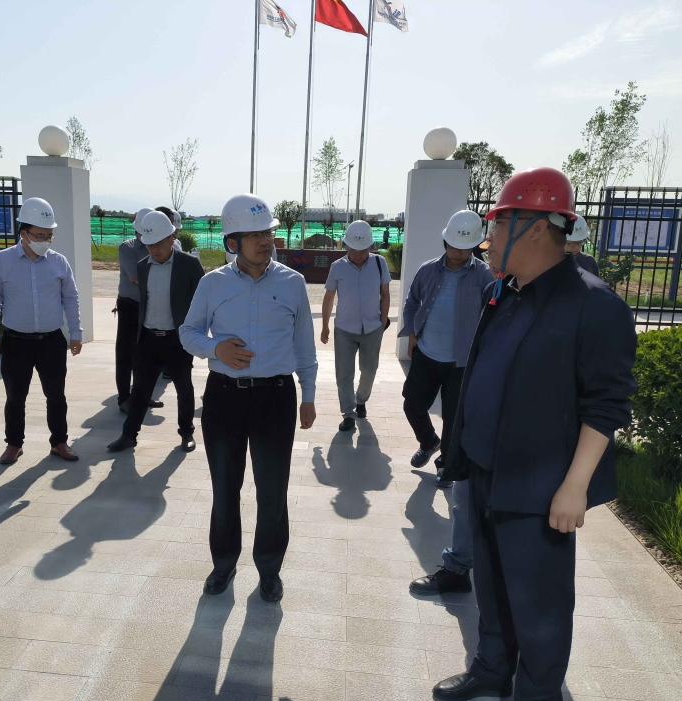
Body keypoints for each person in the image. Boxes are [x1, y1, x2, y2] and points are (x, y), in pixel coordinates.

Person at [433, 168, 636, 701]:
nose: (487, 239)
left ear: (536, 228)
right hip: (487, 471)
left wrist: (575, 486)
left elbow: (607, 404)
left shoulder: (593, 306)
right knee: (492, 587)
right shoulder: (504, 292)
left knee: (540, 606)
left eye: (497, 225)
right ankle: (492, 668)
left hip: (542, 488)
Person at [180, 193, 317, 603]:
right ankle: (223, 564)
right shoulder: (212, 284)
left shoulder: (292, 283)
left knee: (272, 491)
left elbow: (305, 345)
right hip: (224, 399)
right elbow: (188, 332)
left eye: (268, 233)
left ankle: (269, 570)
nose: (265, 241)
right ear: (233, 241)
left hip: (276, 399)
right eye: (255, 235)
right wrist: (215, 349)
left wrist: (308, 395)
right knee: (225, 488)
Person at [0, 197, 83, 465]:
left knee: (56, 395)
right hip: (16, 342)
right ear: (24, 233)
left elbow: (71, 298)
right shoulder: (2, 261)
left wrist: (76, 332)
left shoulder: (59, 262)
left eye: (49, 235)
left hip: (51, 341)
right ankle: (14, 444)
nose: (45, 240)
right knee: (15, 397)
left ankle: (59, 442)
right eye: (40, 235)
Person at [401, 210, 494, 487]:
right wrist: (412, 332)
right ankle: (428, 441)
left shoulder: (484, 275)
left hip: (461, 362)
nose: (459, 252)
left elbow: (492, 313)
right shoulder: (428, 270)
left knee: (453, 418)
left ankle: (446, 465)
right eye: (454, 245)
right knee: (412, 405)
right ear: (445, 241)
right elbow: (411, 301)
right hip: (427, 354)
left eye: (466, 247)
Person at [107, 211, 204, 453]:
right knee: (140, 390)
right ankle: (129, 435)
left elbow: (203, 300)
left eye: (159, 244)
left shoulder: (189, 265)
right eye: (149, 245)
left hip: (177, 339)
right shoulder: (143, 267)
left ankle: (186, 433)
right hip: (149, 339)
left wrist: (197, 334)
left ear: (172, 238)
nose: (154, 250)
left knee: (184, 388)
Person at [320, 220, 390, 432]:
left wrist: (382, 323)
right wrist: (325, 326)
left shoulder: (379, 263)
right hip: (344, 330)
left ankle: (361, 399)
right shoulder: (337, 267)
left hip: (372, 328)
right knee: (344, 374)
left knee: (369, 370)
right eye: (354, 249)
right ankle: (348, 414)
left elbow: (385, 294)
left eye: (363, 249)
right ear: (346, 245)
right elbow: (329, 297)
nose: (359, 254)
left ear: (370, 246)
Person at [115, 207, 162, 413]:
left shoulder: (158, 247)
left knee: (145, 354)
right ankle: (124, 398)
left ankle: (142, 395)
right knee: (126, 354)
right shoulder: (128, 248)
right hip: (130, 305)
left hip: (149, 306)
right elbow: (135, 277)